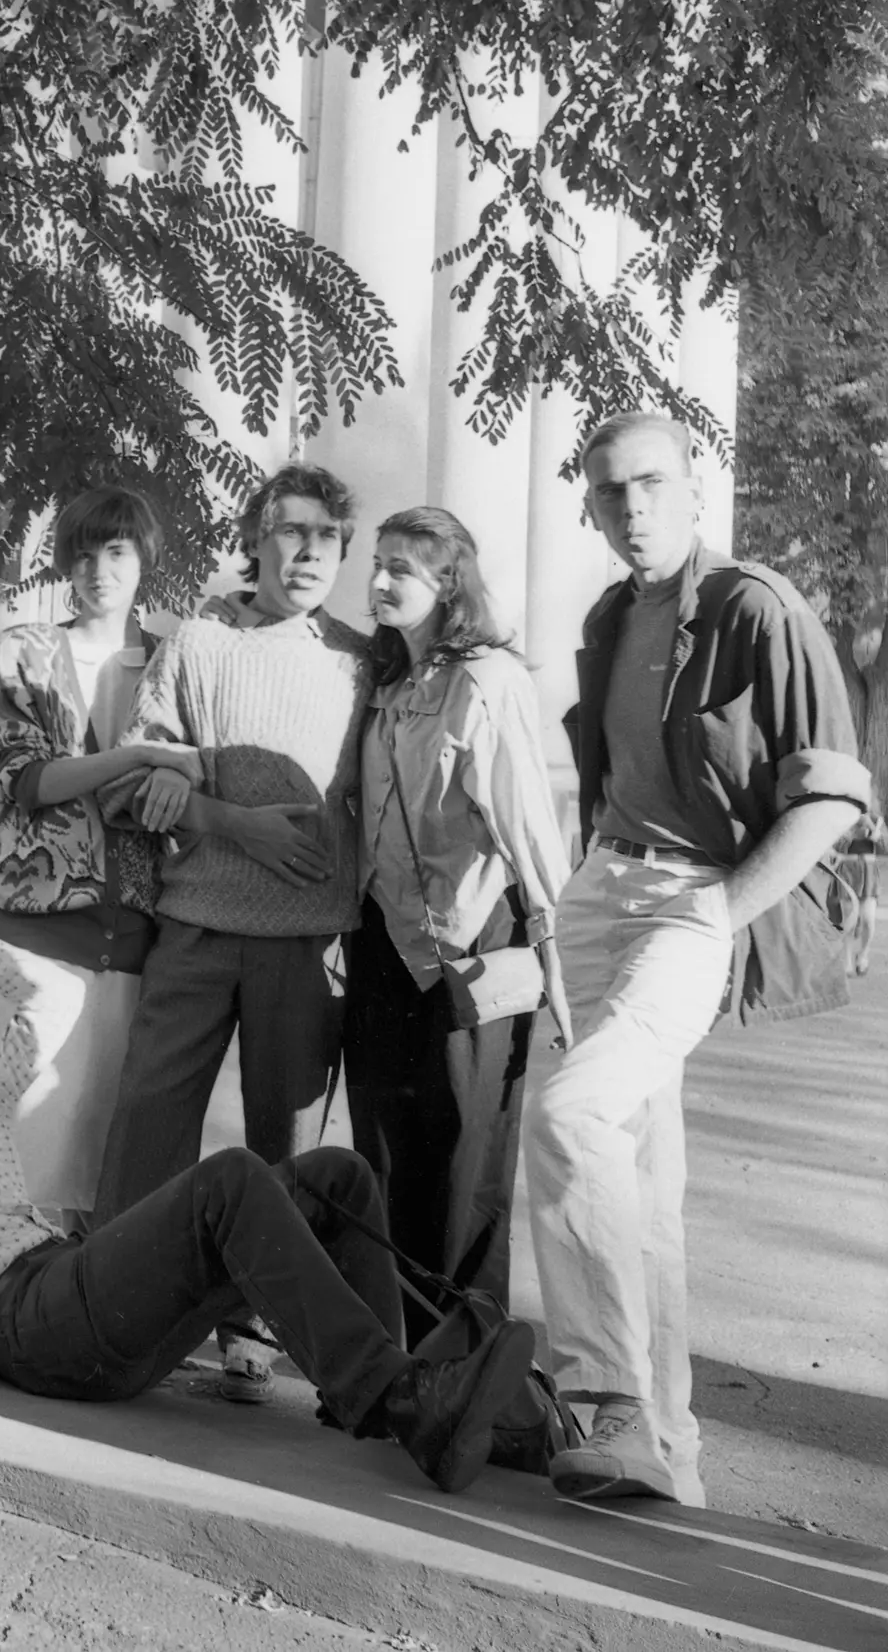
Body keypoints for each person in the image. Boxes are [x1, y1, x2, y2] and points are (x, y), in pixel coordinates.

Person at [0, 932, 536, 1498]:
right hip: (22, 1329)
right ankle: (406, 1399)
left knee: (338, 1176)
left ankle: (381, 1397)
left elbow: (58, 994)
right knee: (227, 1179)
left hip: (70, 1283)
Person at [526, 412, 868, 1507]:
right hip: (602, 887)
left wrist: (719, 913)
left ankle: (601, 1401)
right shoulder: (603, 619)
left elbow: (828, 799)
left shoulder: (755, 607)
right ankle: (665, 1449)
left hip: (691, 897)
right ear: (589, 506)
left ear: (691, 489)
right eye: (610, 492)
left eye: (650, 485)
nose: (632, 508)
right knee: (636, 1177)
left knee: (569, 1115)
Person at [94, 464, 371, 1199]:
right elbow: (128, 782)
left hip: (309, 939)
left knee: (290, 1159)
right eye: (292, 531)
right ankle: (129, 1303)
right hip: (197, 931)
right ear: (255, 536)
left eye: (328, 537)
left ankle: (267, 1312)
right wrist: (233, 823)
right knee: (148, 1129)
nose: (310, 553)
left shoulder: (360, 662)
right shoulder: (198, 643)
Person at [346, 508, 571, 1341]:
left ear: (449, 583)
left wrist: (560, 959)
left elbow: (527, 824)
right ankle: (387, 1357)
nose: (380, 582)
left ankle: (462, 1368)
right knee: (383, 1147)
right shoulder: (385, 680)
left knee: (462, 1160)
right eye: (377, 564)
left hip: (471, 943)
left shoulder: (488, 679)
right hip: (379, 940)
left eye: (402, 568)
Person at [0, 484, 194, 1223]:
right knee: (26, 1141)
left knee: (108, 1150)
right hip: (40, 930)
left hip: (140, 935)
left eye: (119, 551)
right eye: (86, 553)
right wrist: (144, 760)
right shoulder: (21, 653)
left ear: (145, 561)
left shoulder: (175, 664)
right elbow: (23, 780)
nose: (100, 569)